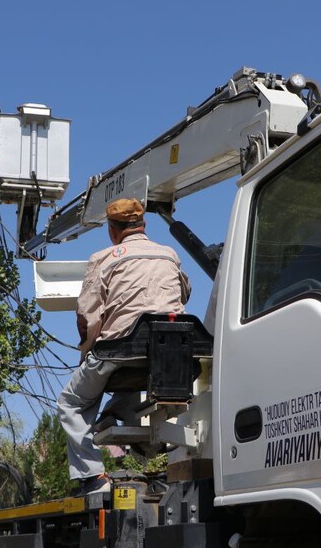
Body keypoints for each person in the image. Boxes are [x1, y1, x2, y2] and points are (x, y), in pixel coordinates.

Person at [57, 198, 191, 496]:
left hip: (118, 353)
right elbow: (185, 292)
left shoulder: (103, 258)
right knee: (128, 380)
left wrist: (86, 354)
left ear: (112, 230)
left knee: (71, 403)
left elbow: (87, 316)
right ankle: (119, 414)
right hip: (168, 356)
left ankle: (93, 478)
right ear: (143, 225)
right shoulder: (169, 255)